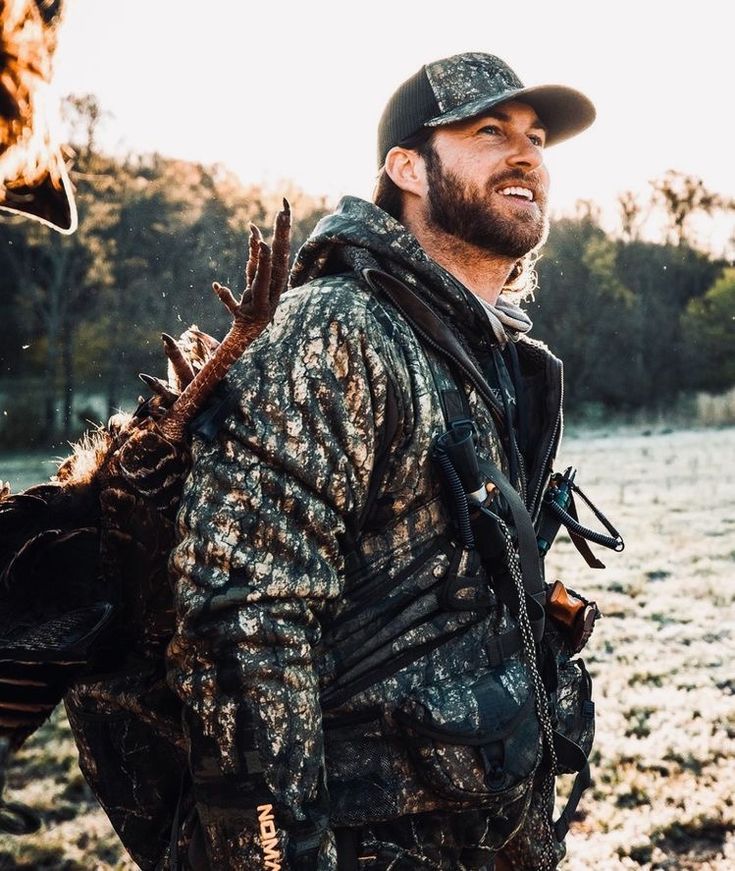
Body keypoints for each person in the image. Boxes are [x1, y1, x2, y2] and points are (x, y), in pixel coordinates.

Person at [166, 52, 597, 870]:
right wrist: (277, 857)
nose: (527, 154)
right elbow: (245, 620)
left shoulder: (494, 352)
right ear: (405, 166)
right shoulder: (337, 329)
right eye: (487, 130)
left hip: (488, 830)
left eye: (536, 138)